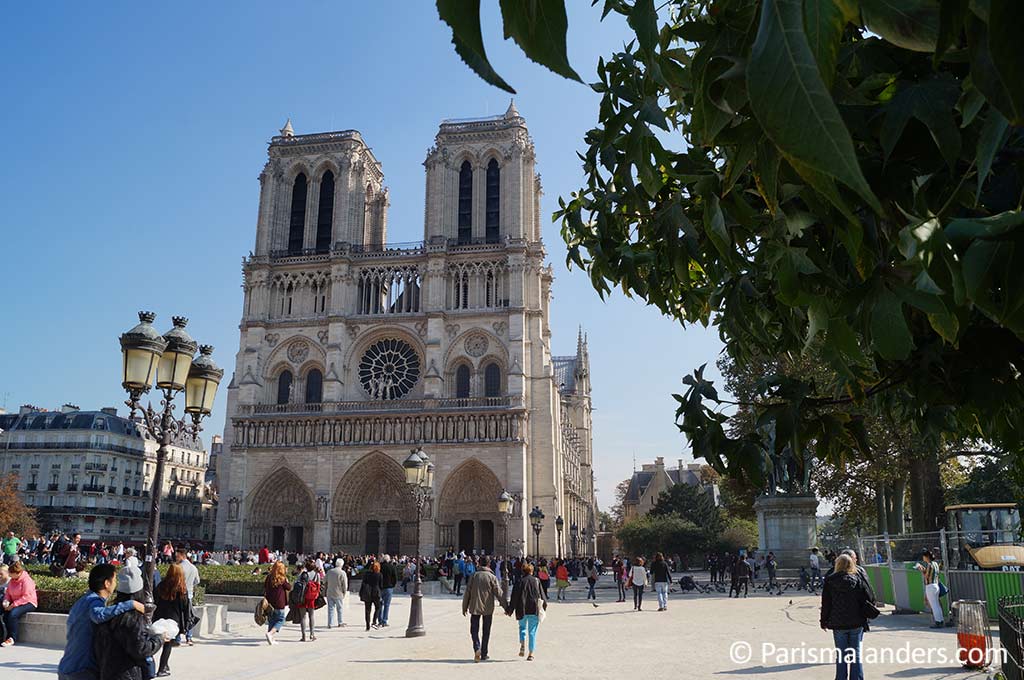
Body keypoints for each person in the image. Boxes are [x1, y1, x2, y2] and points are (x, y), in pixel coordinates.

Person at [58, 563, 146, 680]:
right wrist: (131, 604)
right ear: (107, 583)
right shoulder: (95, 601)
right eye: (115, 580)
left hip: (67, 666)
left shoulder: (82, 601)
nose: (116, 584)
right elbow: (98, 615)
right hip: (82, 670)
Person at [94, 565, 165, 680]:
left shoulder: (109, 613)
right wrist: (159, 639)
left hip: (108, 672)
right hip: (128, 674)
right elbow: (140, 649)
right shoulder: (133, 617)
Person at [820, 554, 871, 680]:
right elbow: (868, 598)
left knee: (841, 655)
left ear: (837, 565)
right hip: (856, 622)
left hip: (838, 623)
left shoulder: (830, 581)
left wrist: (823, 621)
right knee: (856, 654)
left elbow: (826, 603)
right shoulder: (857, 579)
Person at [462, 556, 508, 662]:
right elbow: (499, 593)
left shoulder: (474, 575)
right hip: (488, 608)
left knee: (474, 630)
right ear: (489, 564)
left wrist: (464, 607)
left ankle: (477, 648)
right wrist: (506, 607)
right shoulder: (492, 577)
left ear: (479, 563)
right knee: (486, 631)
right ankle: (484, 653)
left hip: (475, 607)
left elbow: (467, 592)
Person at [153, 563, 192, 677]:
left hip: (160, 617)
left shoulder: (161, 586)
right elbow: (185, 607)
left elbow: (155, 600)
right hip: (173, 620)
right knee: (167, 644)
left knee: (156, 642)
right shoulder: (182, 589)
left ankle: (160, 665)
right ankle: (162, 668)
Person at [507, 562, 546, 661]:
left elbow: (514, 597)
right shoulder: (536, 581)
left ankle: (522, 642)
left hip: (522, 608)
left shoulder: (519, 581)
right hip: (533, 609)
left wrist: (510, 610)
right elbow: (542, 596)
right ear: (532, 571)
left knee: (522, 627)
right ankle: (531, 653)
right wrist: (544, 607)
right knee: (532, 632)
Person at [1, 562, 37, 646]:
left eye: (11, 574)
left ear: (17, 573)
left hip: (29, 602)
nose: (9, 575)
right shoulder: (12, 581)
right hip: (15, 602)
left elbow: (26, 596)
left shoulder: (27, 581)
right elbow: (8, 593)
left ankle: (12, 637)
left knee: (13, 614)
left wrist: (13, 605)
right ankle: (8, 636)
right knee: (6, 615)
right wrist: (6, 601)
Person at [173, 548, 200, 645]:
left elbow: (173, 581)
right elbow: (197, 581)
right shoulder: (193, 567)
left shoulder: (178, 567)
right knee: (189, 616)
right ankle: (189, 637)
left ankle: (177, 638)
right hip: (189, 594)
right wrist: (190, 585)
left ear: (182, 556)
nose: (176, 558)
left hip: (179, 594)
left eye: (177, 556)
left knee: (178, 616)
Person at [263, 561, 291, 645]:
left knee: (271, 620)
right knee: (281, 620)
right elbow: (289, 587)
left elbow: (265, 587)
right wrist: (287, 580)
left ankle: (271, 638)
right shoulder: (282, 578)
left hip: (270, 603)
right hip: (279, 603)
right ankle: (270, 634)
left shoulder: (269, 577)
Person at [294, 558, 321, 641]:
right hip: (311, 597)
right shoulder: (317, 575)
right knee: (311, 616)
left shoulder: (302, 574)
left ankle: (303, 636)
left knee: (303, 617)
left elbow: (296, 584)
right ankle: (312, 634)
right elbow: (318, 586)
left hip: (302, 597)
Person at [916, 550, 944, 628]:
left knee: (934, 605)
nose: (923, 558)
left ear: (927, 557)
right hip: (936, 585)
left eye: (924, 557)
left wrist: (921, 569)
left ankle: (938, 622)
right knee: (937, 605)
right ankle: (941, 620)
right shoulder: (935, 564)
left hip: (930, 586)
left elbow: (926, 576)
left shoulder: (929, 564)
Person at [359, 561, 383, 631]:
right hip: (376, 592)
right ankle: (374, 621)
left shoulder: (366, 574)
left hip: (367, 593)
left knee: (367, 610)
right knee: (378, 607)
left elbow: (363, 583)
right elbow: (381, 585)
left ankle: (367, 626)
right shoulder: (380, 575)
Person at [325, 558, 348, 628]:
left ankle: (330, 623)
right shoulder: (342, 573)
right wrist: (344, 592)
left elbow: (324, 580)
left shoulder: (329, 571)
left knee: (330, 609)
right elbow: (345, 585)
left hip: (330, 592)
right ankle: (340, 622)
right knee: (339, 608)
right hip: (339, 593)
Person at [379, 554, 399, 627]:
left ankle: (380, 620)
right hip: (388, 588)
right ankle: (384, 621)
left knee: (380, 605)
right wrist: (392, 585)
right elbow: (395, 578)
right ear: (388, 560)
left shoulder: (379, 566)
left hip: (380, 588)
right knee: (387, 605)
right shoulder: (392, 567)